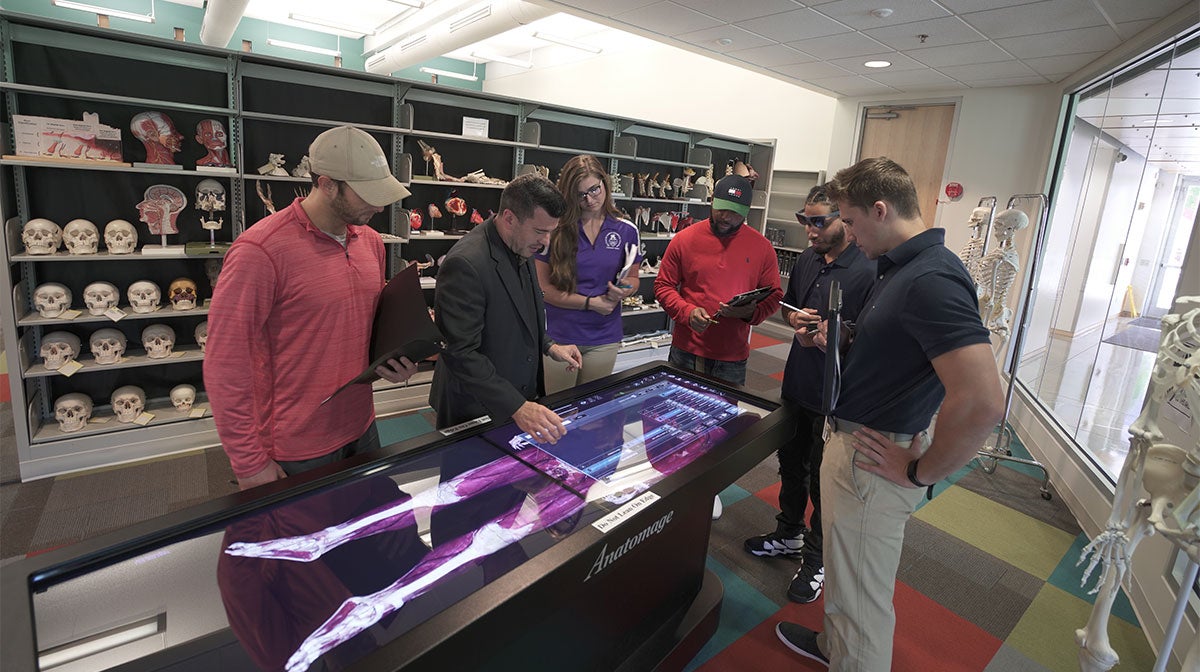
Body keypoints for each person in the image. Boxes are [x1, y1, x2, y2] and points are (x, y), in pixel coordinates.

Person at [775, 158, 1005, 670]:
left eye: (851, 221)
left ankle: (850, 654)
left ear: (880, 210)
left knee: (863, 600)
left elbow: (984, 401)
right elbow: (901, 346)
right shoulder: (901, 267)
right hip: (856, 444)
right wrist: (842, 337)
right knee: (846, 574)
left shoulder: (933, 278)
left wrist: (920, 471)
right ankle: (835, 648)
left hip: (876, 460)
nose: (848, 235)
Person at [205, 125, 419, 490]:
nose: (380, 206)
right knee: (304, 544)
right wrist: (249, 463)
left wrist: (392, 360)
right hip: (295, 443)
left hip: (362, 425)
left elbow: (361, 327)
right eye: (367, 194)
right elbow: (225, 363)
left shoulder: (370, 243)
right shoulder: (260, 251)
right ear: (326, 184)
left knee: (366, 535)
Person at [742, 184, 875, 608]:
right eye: (805, 221)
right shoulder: (806, 260)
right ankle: (788, 533)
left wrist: (836, 339)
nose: (810, 231)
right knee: (790, 465)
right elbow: (789, 305)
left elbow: (873, 340)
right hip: (796, 384)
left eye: (819, 222)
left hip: (836, 396)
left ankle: (817, 559)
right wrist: (794, 316)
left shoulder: (868, 268)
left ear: (844, 220)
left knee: (824, 480)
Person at [430, 173, 584, 440]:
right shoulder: (466, 264)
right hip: (475, 408)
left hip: (516, 402)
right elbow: (461, 353)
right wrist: (517, 406)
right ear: (510, 218)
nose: (546, 242)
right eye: (540, 231)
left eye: (551, 231)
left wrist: (548, 345)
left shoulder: (520, 245)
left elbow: (518, 310)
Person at [654, 173, 782, 386]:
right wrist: (687, 312)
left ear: (746, 212)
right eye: (721, 208)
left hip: (732, 356)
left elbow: (775, 294)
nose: (726, 217)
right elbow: (663, 285)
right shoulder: (685, 239)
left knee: (726, 417)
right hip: (686, 350)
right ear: (712, 200)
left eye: (735, 213)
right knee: (677, 414)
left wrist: (751, 312)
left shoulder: (762, 247)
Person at [536, 155, 641, 393]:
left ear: (605, 183)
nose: (590, 199)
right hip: (559, 337)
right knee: (559, 413)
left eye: (594, 190)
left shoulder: (626, 230)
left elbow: (633, 279)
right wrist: (591, 304)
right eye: (580, 194)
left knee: (594, 410)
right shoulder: (554, 229)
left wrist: (624, 289)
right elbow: (543, 289)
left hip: (604, 337)